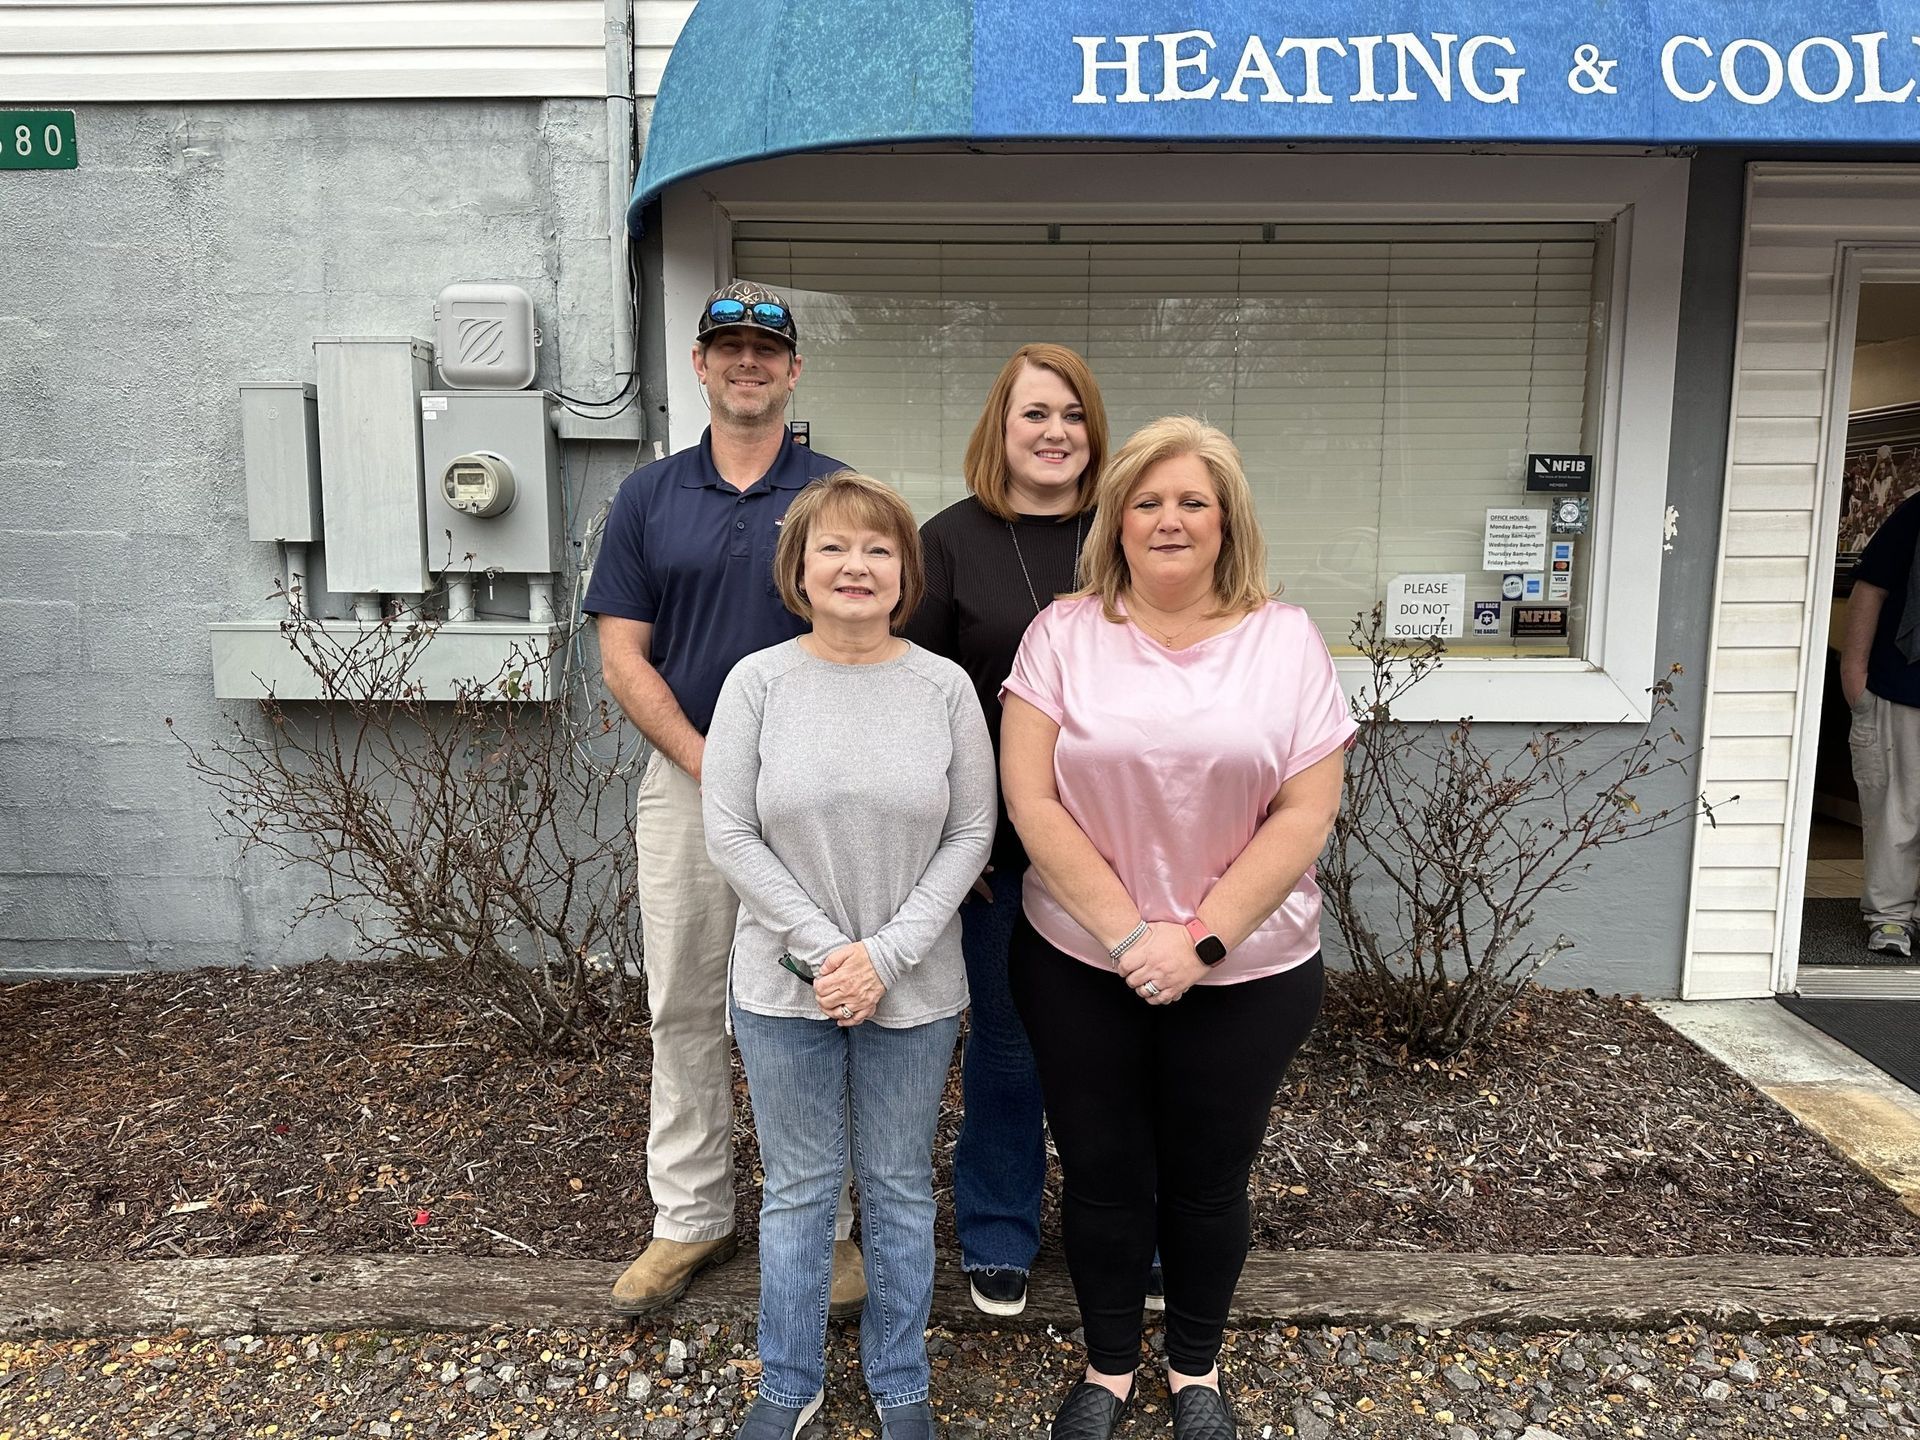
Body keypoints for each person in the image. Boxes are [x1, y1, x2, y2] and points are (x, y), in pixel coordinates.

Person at [999, 417, 1354, 1440]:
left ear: (1226, 521)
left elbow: (1306, 811)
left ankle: (1196, 1366)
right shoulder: (1062, 634)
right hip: (1081, 961)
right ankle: (1109, 1366)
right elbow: (1031, 798)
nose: (1169, 520)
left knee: (1208, 1181)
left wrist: (1198, 939)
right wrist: (1128, 937)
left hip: (1247, 970)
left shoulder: (1286, 640)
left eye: (1193, 501)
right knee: (1101, 1175)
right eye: (1147, 501)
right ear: (1115, 521)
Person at [586, 281, 866, 1317]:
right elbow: (624, 653)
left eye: (767, 349)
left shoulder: (836, 494)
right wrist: (710, 763)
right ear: (700, 365)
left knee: (820, 1004)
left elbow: (868, 633)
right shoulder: (649, 497)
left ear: (794, 371)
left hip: (817, 795)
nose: (748, 362)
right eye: (728, 346)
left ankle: (828, 1227)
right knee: (685, 1001)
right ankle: (690, 1217)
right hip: (690, 781)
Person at [704, 471, 995, 1440]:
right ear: (800, 569)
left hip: (914, 988)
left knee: (901, 1187)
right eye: (833, 547)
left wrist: (885, 957)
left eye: (878, 549)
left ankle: (900, 1377)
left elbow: (972, 832)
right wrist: (833, 954)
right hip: (784, 987)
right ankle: (789, 1383)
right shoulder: (757, 684)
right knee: (798, 1191)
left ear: (905, 571)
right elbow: (730, 834)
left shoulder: (943, 688)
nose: (856, 566)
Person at [901, 343, 1109, 1317]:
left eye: (1072, 414)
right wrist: (954, 839)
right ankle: (998, 1228)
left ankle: (1125, 1228)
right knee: (1010, 1041)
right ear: (1002, 426)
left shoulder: (1128, 532)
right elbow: (915, 701)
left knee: (1122, 1045)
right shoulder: (947, 543)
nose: (1054, 432)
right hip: (1001, 851)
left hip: (1123, 848)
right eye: (1035, 413)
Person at [1840, 485, 1920, 957]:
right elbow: (1870, 588)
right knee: (1897, 813)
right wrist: (1854, 676)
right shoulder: (1916, 514)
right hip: (1903, 687)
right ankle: (1891, 917)